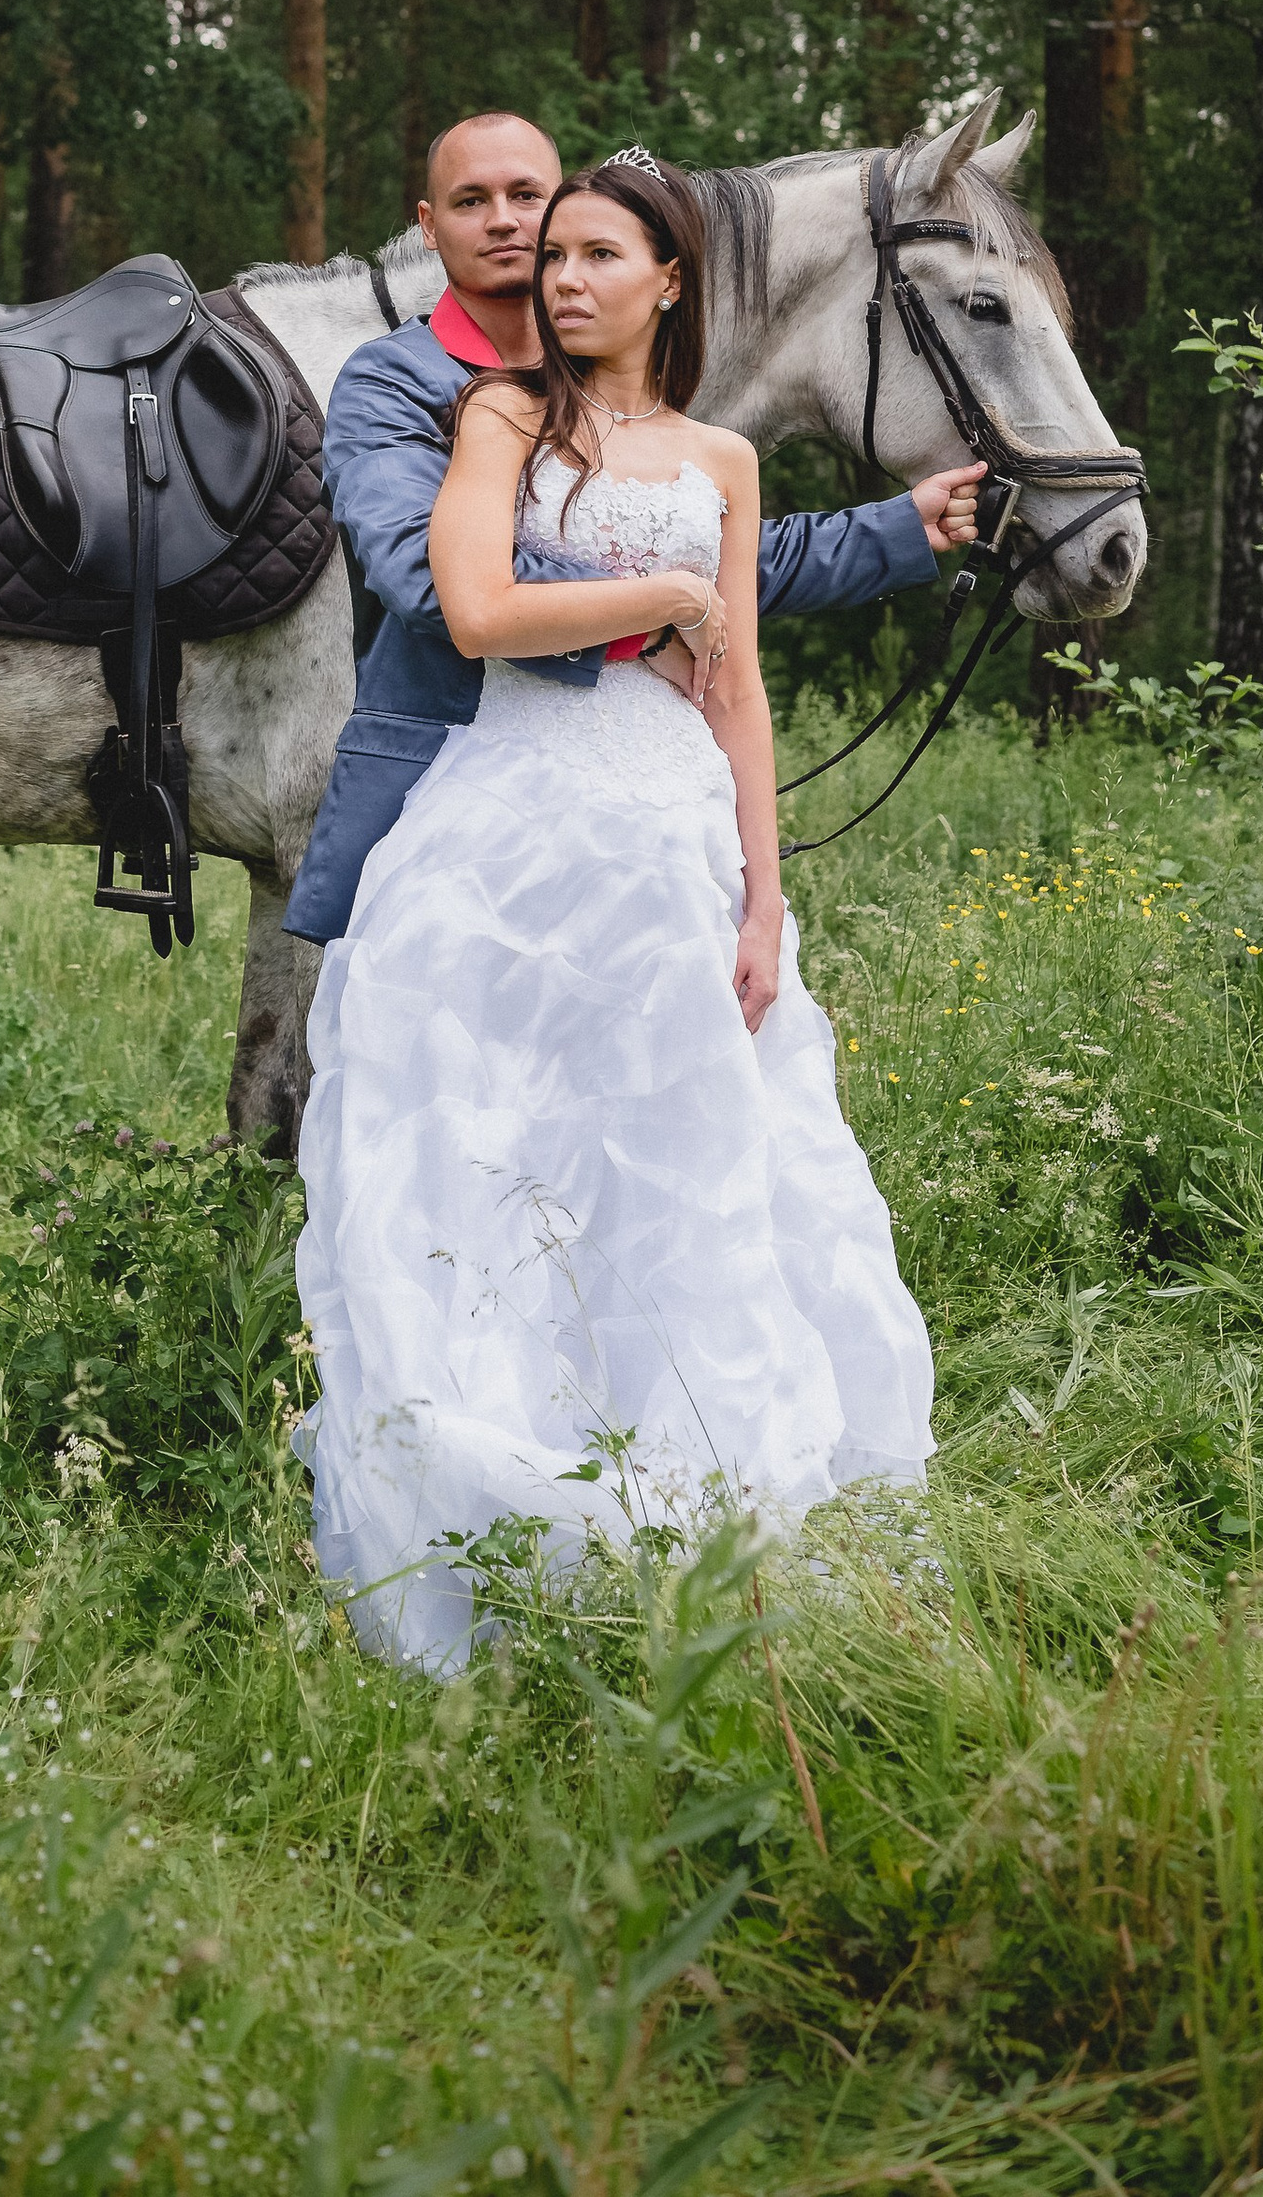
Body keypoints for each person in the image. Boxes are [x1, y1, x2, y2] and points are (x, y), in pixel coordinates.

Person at [292, 147, 936, 1671]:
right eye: (554, 253)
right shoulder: (502, 416)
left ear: (668, 281)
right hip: (510, 826)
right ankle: (494, 1503)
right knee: (501, 1152)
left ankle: (689, 1500)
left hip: (672, 837)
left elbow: (740, 692)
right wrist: (663, 599)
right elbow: (476, 609)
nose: (563, 276)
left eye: (596, 254)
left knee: (683, 1157)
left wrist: (764, 898)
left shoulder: (724, 459)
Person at [284, 108, 984, 949]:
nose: (503, 220)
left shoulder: (631, 396)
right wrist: (649, 624)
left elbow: (705, 570)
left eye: (526, 196)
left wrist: (894, 530)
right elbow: (425, 577)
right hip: (451, 772)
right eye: (472, 200)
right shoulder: (393, 381)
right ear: (429, 227)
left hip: (640, 785)